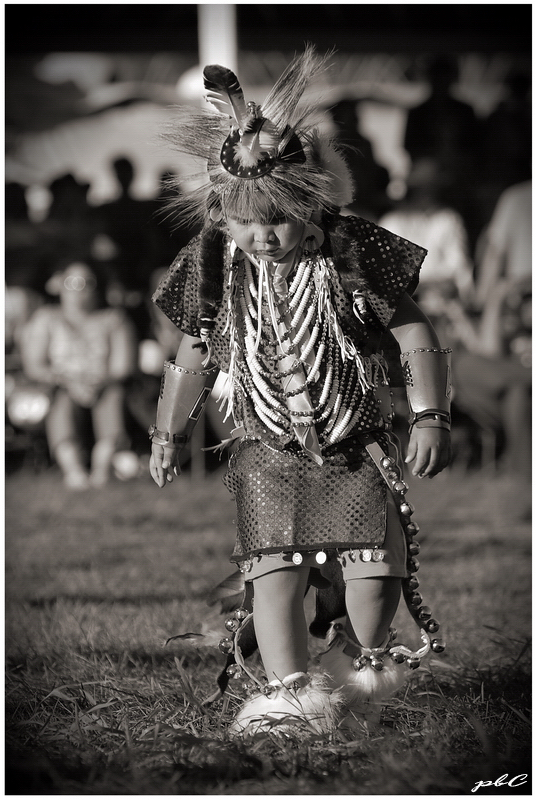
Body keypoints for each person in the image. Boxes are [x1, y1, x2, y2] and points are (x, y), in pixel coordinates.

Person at [149, 48, 451, 737]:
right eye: (246, 222)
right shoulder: (215, 265)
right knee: (272, 573)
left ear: (313, 201)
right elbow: (193, 350)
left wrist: (431, 414)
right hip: (266, 446)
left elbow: (413, 328)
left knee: (374, 576)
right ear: (221, 217)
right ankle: (288, 692)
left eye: (279, 219)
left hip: (355, 444)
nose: (263, 236)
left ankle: (361, 654)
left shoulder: (349, 251)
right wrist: (168, 432)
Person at [20, 258, 138, 489]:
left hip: (104, 385)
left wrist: (97, 382)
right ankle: (72, 469)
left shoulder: (114, 319)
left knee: (112, 397)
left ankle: (102, 466)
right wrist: (67, 380)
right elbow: (34, 365)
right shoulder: (46, 318)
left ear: (98, 286)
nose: (79, 290)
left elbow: (122, 367)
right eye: (72, 282)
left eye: (86, 282)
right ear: (58, 284)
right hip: (61, 386)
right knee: (60, 401)